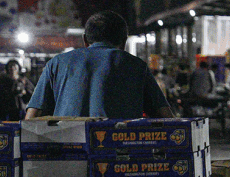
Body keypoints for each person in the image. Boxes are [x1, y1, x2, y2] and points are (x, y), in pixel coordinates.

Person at [25, 11, 174, 119]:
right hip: (119, 155)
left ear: (85, 40)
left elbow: (31, 118)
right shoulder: (136, 66)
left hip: (67, 154)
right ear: (124, 42)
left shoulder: (56, 64)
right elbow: (165, 118)